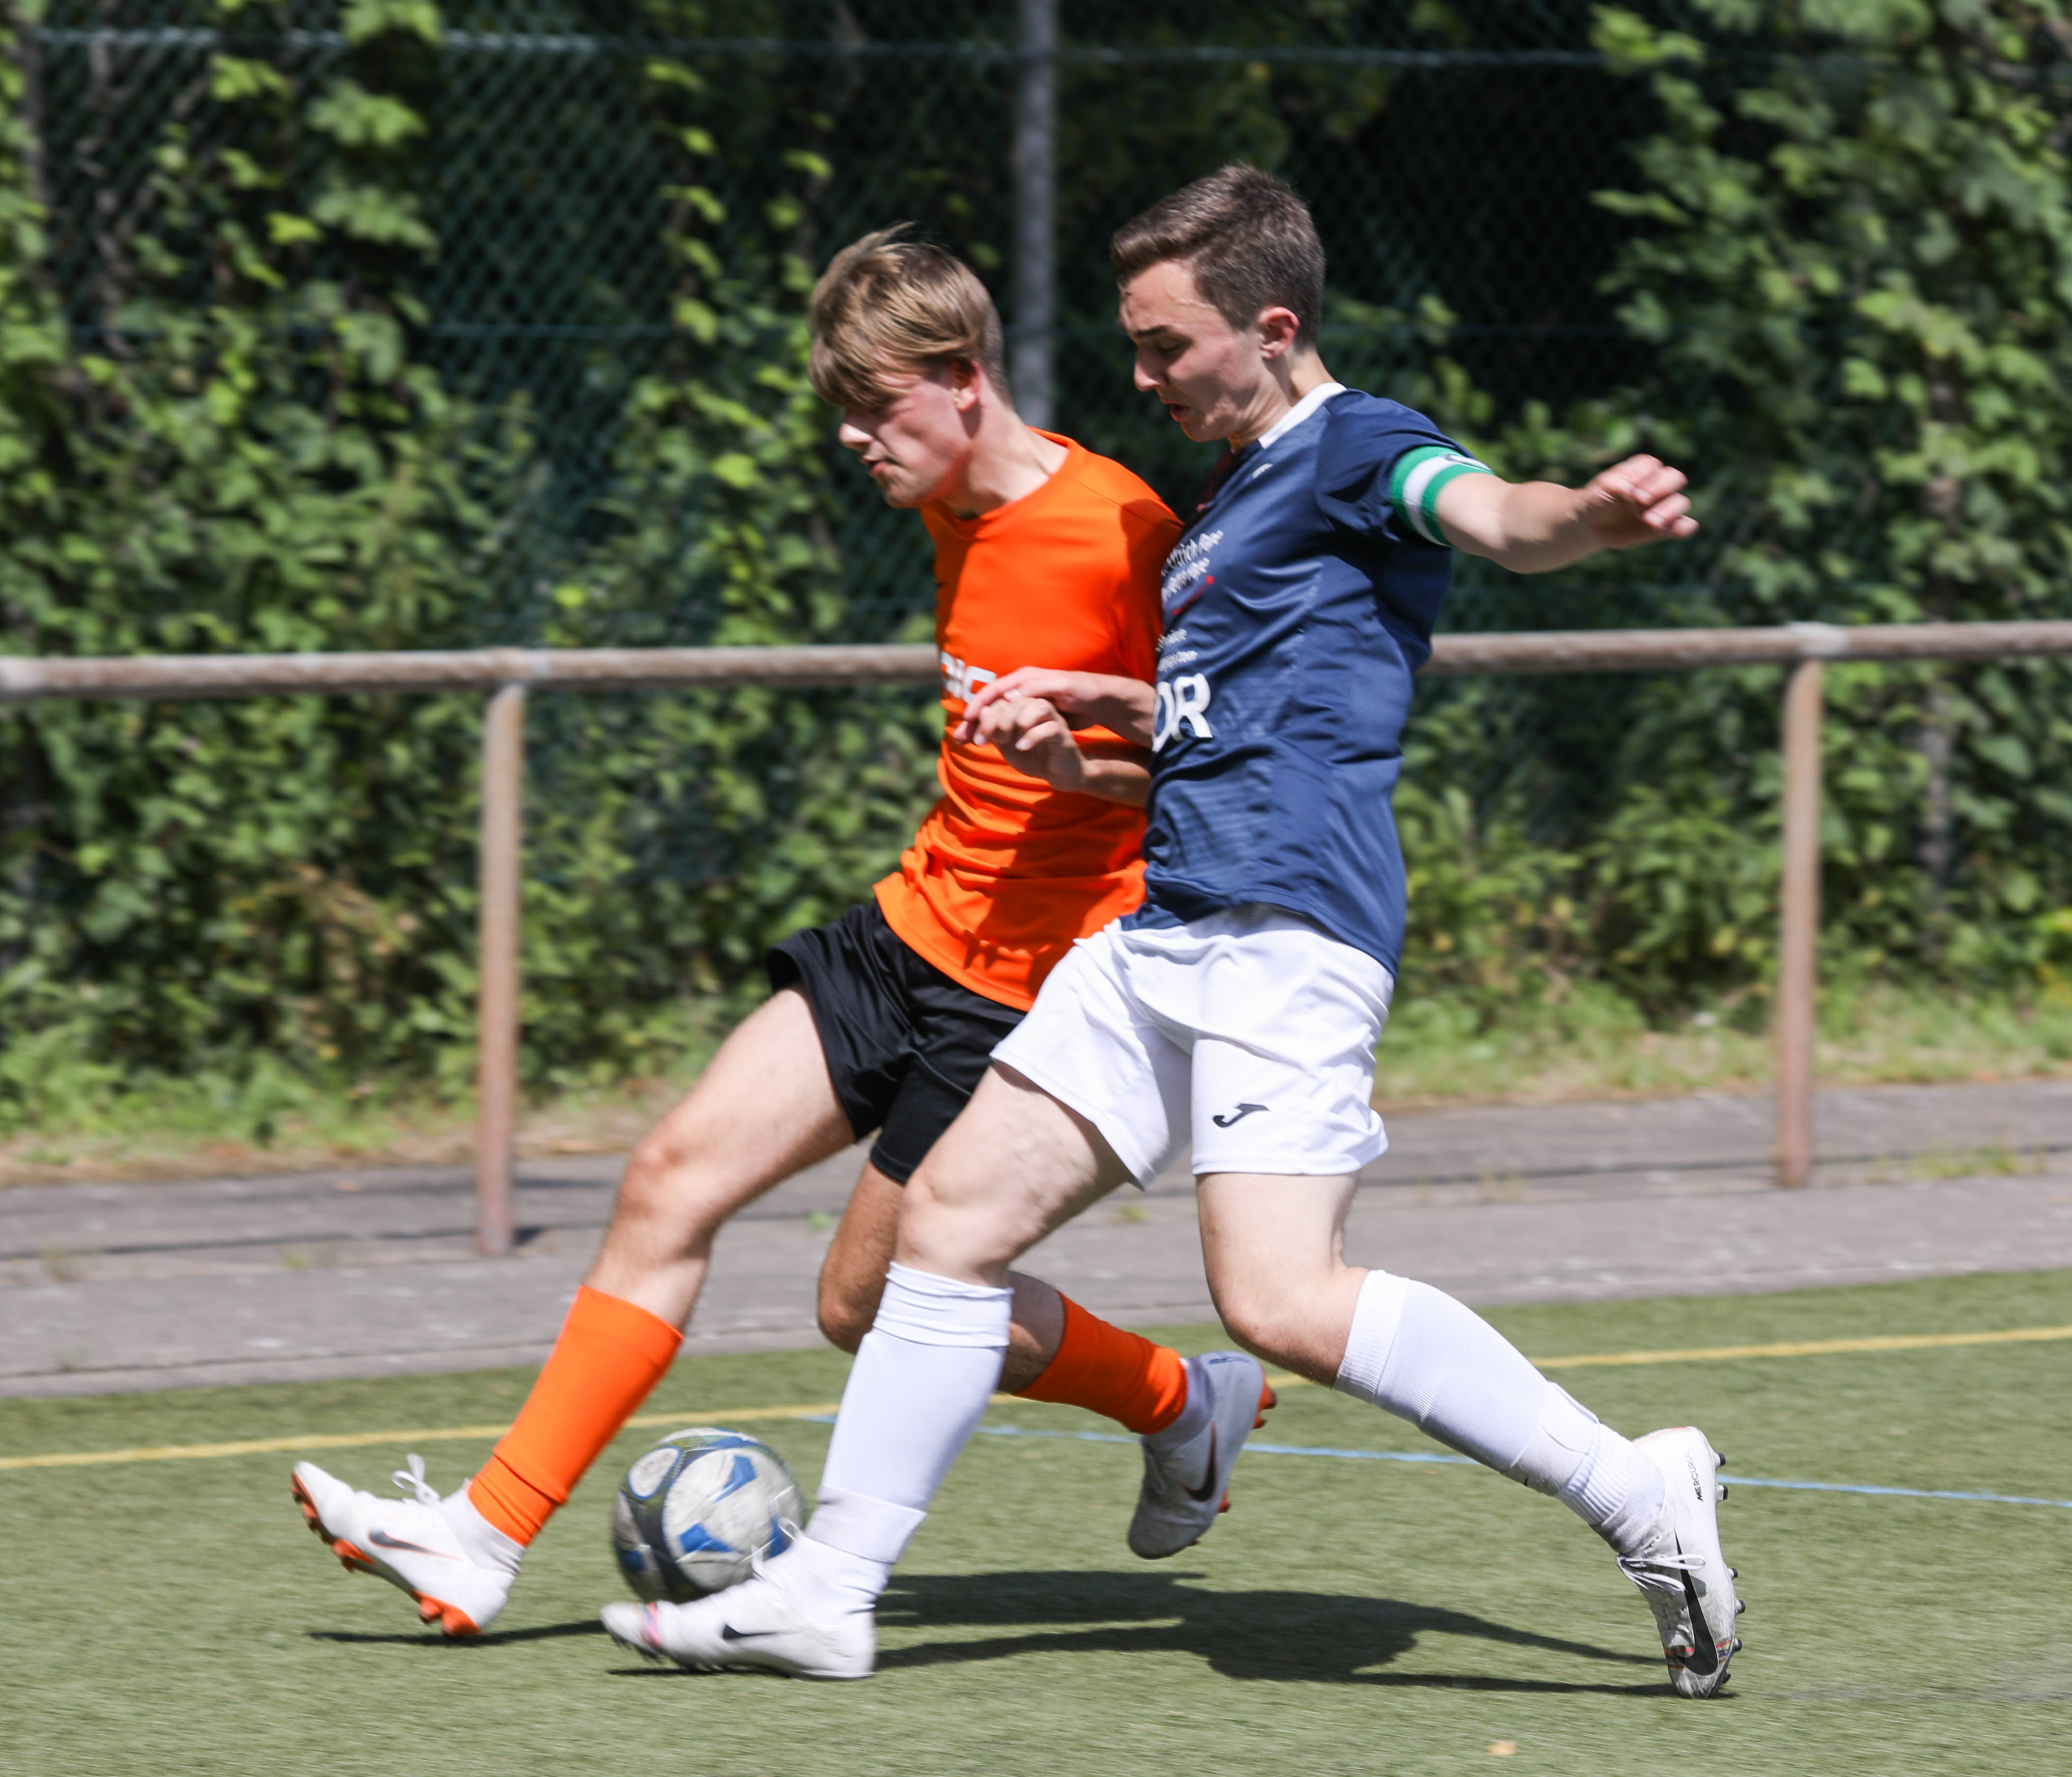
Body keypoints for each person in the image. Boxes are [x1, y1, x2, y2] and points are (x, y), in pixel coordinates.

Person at [601, 166, 1743, 1697]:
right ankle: (829, 1591)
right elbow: (1233, 715)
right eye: (1133, 346)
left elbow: (1489, 515)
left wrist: (1582, 517)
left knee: (1277, 1302)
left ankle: (1637, 1488)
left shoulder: (1357, 445)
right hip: (1164, 928)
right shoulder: (1228, 503)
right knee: (943, 1226)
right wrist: (1097, 726)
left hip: (1288, 929)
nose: (1141, 377)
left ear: (1269, 329)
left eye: (1164, 346)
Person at [291, 227, 1273, 1641]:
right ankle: (481, 1537)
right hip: (909, 926)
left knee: (865, 1306)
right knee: (668, 1176)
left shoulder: (1122, 531)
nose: (852, 438)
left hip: (1030, 988)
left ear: (965, 378)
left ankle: (1183, 1400)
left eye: (877, 406)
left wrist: (1080, 771)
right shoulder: (948, 503)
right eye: (841, 409)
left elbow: (1215, 770)